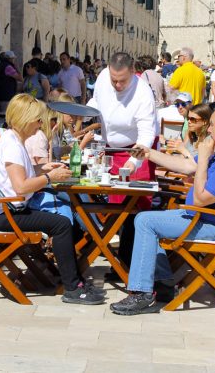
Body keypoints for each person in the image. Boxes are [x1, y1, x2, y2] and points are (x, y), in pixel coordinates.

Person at [110, 105, 215, 315]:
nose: (209, 131)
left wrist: (203, 158)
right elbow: (185, 166)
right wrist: (149, 153)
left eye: (212, 125)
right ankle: (163, 284)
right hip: (200, 218)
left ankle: (142, 294)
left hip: (211, 225)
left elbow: (199, 199)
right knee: (145, 220)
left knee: (145, 222)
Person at [0, 94, 105, 305]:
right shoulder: (12, 146)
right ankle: (72, 288)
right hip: (1, 215)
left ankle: (74, 281)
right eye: (37, 120)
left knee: (62, 219)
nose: (40, 124)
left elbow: (21, 174)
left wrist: (42, 168)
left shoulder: (14, 140)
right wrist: (48, 178)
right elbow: (21, 186)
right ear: (25, 119)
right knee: (62, 224)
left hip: (5, 210)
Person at [88, 52, 157, 273]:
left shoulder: (143, 93)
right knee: (116, 209)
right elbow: (96, 101)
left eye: (122, 81)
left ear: (133, 72)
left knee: (137, 208)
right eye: (114, 80)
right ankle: (119, 264)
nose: (117, 85)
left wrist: (132, 163)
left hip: (137, 150)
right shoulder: (102, 77)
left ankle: (134, 266)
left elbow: (147, 135)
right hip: (111, 149)